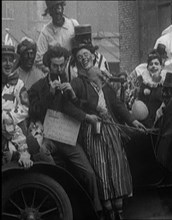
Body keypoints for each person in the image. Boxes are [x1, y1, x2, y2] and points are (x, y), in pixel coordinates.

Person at [66, 41, 146, 220]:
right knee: (102, 170)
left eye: (86, 55)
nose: (84, 59)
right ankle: (109, 213)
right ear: (77, 62)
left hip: (111, 130)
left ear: (93, 56)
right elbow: (70, 106)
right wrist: (86, 114)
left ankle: (119, 212)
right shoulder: (77, 83)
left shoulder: (102, 78)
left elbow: (117, 105)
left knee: (116, 168)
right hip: (94, 132)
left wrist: (132, 121)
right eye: (80, 58)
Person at [28, 45, 103, 216]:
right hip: (48, 137)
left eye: (62, 65)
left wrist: (74, 96)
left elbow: (78, 107)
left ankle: (97, 212)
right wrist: (50, 94)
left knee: (89, 174)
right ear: (48, 65)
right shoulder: (38, 87)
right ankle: (57, 194)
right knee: (42, 152)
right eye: (55, 66)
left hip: (68, 137)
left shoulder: (71, 83)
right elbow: (34, 112)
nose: (60, 69)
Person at [2, 45, 32, 168]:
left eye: (11, 60)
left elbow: (25, 108)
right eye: (4, 60)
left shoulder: (18, 84)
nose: (8, 64)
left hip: (14, 127)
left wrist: (8, 117)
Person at [129, 50, 165, 128]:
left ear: (161, 67)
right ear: (148, 67)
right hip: (143, 121)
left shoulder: (164, 84)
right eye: (151, 64)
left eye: (156, 64)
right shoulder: (143, 82)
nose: (153, 66)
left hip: (159, 121)